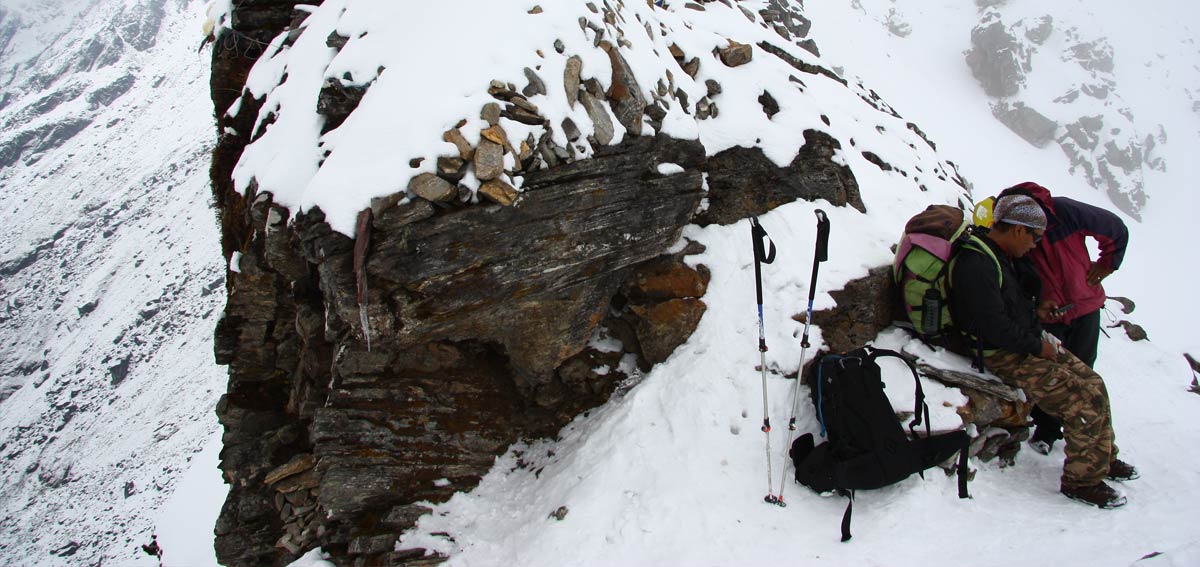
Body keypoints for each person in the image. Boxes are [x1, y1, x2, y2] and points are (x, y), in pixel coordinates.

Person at [950, 195, 1137, 508]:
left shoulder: (1000, 255)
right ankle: (1082, 481)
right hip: (1001, 353)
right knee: (1080, 397)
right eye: (1036, 237)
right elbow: (992, 326)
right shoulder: (977, 262)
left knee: (1093, 382)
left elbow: (1007, 309)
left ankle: (1101, 459)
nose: (1036, 245)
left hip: (1023, 342)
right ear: (1019, 230)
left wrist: (1037, 315)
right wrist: (1039, 346)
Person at [995, 182, 1129, 455]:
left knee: (1085, 371)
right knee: (1056, 375)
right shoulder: (1014, 228)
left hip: (1084, 306)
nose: (1036, 238)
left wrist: (1107, 264)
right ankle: (1046, 431)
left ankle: (1089, 442)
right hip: (1049, 312)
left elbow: (1115, 228)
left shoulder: (1064, 212)